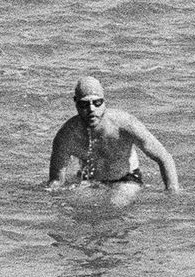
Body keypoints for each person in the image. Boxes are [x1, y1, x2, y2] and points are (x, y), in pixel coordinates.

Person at [47, 77, 181, 196]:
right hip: (90, 181)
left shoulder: (125, 124)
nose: (91, 109)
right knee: (78, 206)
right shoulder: (66, 136)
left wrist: (172, 193)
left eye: (97, 103)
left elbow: (164, 158)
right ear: (75, 102)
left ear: (104, 102)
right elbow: (56, 182)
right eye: (84, 104)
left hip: (126, 179)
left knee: (118, 203)